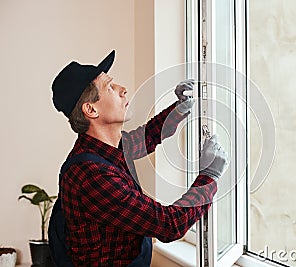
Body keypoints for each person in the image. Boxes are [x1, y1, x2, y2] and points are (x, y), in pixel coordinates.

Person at [51, 50, 228, 267]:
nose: (122, 90)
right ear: (91, 109)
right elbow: (168, 225)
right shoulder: (92, 175)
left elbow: (148, 136)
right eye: (109, 87)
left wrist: (179, 109)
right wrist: (209, 177)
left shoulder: (107, 147)